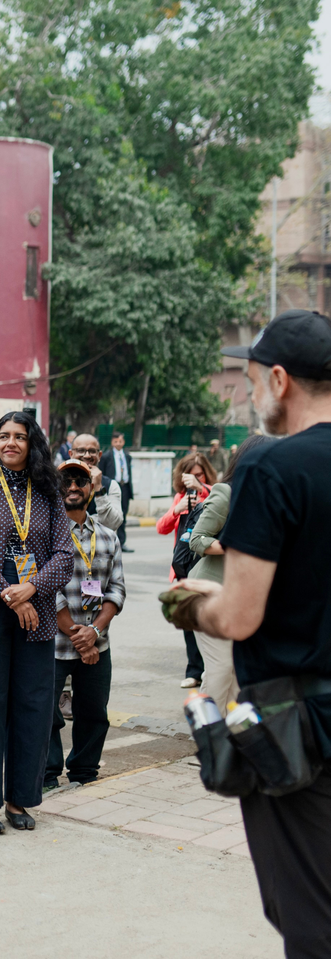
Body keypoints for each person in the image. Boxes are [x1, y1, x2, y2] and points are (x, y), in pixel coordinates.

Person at [170, 308, 331, 958]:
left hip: (296, 726)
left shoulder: (273, 468)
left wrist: (188, 604)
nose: (250, 391)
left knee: (307, 915)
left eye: (253, 377)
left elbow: (238, 615)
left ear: (281, 379)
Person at [0, 410, 73, 835]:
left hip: (36, 614)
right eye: (3, 436)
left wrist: (32, 589)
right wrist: (11, 593)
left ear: (32, 443)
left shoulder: (48, 492)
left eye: (19, 437)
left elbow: (65, 554)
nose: (9, 443)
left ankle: (18, 798)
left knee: (33, 708)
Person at [44, 460, 125, 790]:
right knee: (44, 713)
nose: (74, 487)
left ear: (91, 489)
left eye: (81, 481)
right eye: (66, 481)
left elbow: (116, 589)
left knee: (94, 712)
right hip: (52, 643)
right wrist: (76, 635)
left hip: (96, 643)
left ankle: (84, 773)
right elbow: (44, 587)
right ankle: (47, 774)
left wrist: (94, 633)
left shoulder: (108, 537)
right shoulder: (43, 533)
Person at [186, 434, 274, 715]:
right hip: (208, 595)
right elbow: (197, 539)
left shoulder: (269, 500)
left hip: (242, 600)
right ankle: (208, 729)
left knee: (238, 672)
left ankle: (231, 734)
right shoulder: (225, 493)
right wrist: (234, 545)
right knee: (222, 667)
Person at [156, 451, 214, 688]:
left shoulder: (212, 494)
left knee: (208, 622)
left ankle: (211, 671)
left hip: (205, 568)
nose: (194, 478)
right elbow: (162, 528)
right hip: (181, 569)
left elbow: (220, 501)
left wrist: (202, 488)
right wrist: (177, 508)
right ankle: (194, 670)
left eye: (199, 474)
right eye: (190, 475)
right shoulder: (181, 497)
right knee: (188, 622)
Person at [67, 433, 123, 532]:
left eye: (92, 451)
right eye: (81, 451)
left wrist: (99, 490)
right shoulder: (60, 483)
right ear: (71, 454)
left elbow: (113, 524)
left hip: (101, 545)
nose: (87, 456)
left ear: (99, 455)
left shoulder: (110, 486)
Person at [98, 431, 134, 551]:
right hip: (112, 488)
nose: (118, 443)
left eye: (120, 441)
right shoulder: (106, 456)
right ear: (112, 442)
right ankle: (108, 541)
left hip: (125, 487)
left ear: (123, 442)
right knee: (109, 514)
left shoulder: (127, 456)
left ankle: (122, 542)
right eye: (116, 441)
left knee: (122, 515)